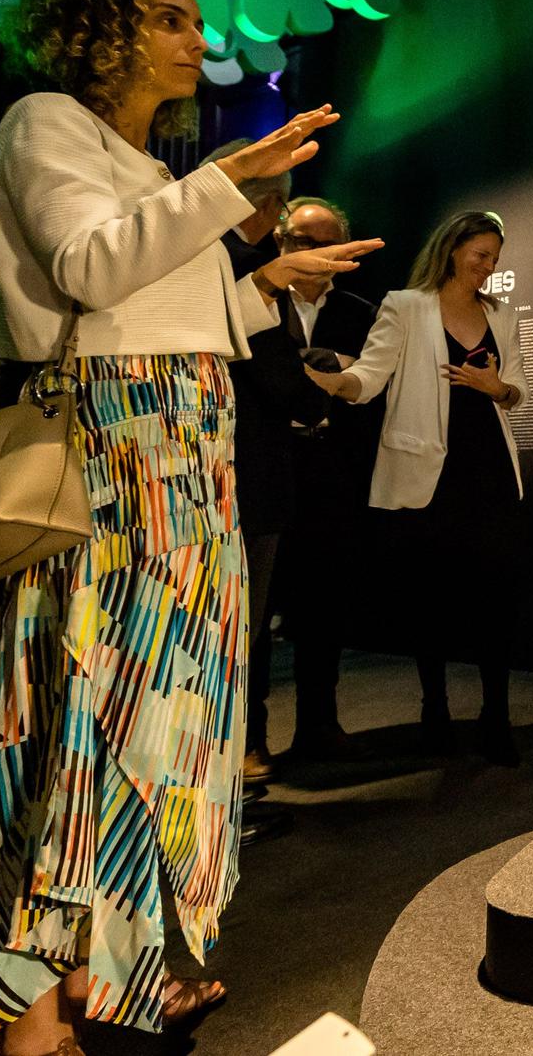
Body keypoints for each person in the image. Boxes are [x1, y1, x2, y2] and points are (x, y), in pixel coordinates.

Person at [0, 0, 378, 1054]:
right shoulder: (46, 123)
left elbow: (163, 313)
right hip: (119, 452)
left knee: (161, 732)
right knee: (89, 722)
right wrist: (233, 183)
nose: (198, 38)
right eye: (169, 17)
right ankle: (33, 1016)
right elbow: (95, 277)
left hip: (187, 450)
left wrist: (258, 288)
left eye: (196, 19)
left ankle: (120, 975)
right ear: (106, 30)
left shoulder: (147, 164)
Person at [307, 211, 529, 765]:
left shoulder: (501, 315)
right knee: (431, 598)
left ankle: (496, 717)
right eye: (481, 255)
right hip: (430, 473)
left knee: (497, 595)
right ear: (453, 249)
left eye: (495, 258)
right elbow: (371, 375)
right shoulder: (405, 306)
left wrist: (494, 386)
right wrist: (333, 382)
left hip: (489, 468)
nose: (488, 267)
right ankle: (436, 712)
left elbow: (516, 391)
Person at [215, 156, 329, 790]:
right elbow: (270, 371)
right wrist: (317, 397)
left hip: (223, 472)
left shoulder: (214, 261)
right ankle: (238, 756)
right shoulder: (236, 265)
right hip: (245, 475)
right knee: (240, 627)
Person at [272, 196, 380, 759]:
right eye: (297, 240)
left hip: (336, 470)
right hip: (269, 465)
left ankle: (320, 723)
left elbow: (376, 388)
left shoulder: (364, 311)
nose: (308, 252)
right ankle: (248, 739)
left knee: (325, 604)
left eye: (322, 242)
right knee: (259, 604)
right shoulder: (254, 300)